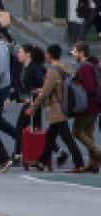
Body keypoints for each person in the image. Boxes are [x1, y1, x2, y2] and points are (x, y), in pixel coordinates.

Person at [26, 44, 86, 172]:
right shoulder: (65, 67)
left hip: (56, 109)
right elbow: (58, 86)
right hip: (63, 105)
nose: (46, 56)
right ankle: (41, 162)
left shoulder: (53, 71)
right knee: (50, 137)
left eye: (47, 54)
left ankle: (79, 163)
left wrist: (33, 107)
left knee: (67, 138)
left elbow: (45, 94)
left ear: (49, 55)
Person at [69, 42, 101, 172]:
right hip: (95, 105)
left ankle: (98, 152)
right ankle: (93, 164)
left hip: (87, 105)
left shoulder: (84, 68)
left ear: (82, 53)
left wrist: (76, 83)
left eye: (75, 51)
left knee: (76, 131)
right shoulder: (92, 65)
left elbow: (89, 88)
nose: (73, 54)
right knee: (88, 133)